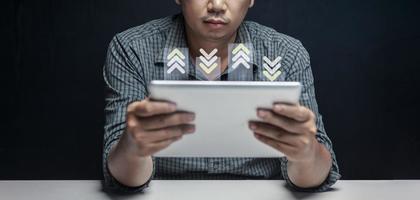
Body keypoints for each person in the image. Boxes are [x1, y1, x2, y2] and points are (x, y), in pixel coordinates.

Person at [103, 0, 340, 193]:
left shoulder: (287, 54)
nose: (216, 4)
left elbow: (317, 175)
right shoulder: (131, 49)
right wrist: (133, 147)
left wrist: (305, 152)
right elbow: (121, 176)